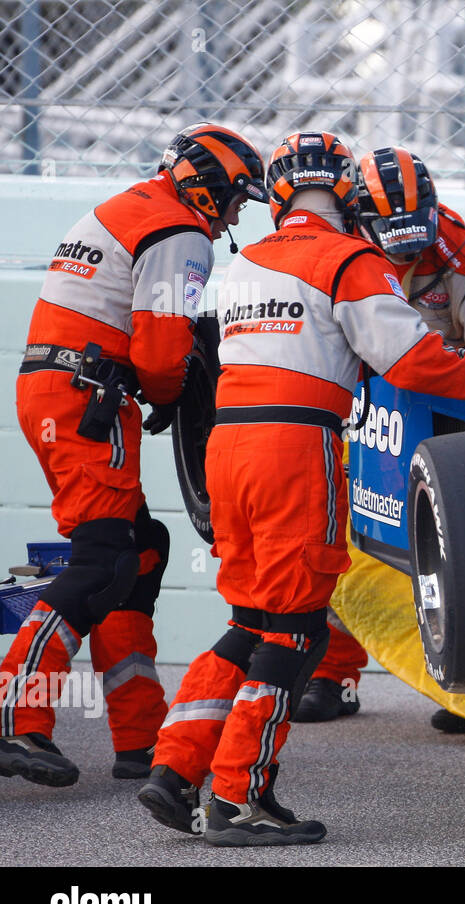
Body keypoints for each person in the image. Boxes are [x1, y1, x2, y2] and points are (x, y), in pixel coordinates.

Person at [137, 130, 465, 845]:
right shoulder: (349, 259)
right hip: (294, 448)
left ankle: (175, 773)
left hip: (226, 450)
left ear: (275, 196)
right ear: (350, 196)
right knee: (296, 628)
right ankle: (237, 799)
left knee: (248, 620)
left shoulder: (243, 265)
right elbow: (412, 360)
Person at [0, 123, 266, 787]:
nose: (238, 213)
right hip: (88, 399)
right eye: (237, 199)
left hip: (60, 390)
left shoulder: (129, 207)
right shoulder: (179, 234)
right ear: (208, 190)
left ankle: (140, 737)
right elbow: (159, 353)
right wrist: (177, 392)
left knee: (140, 550)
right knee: (105, 560)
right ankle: (15, 715)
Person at [296, 145, 465, 724]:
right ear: (357, 218)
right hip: (356, 409)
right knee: (328, 533)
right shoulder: (333, 249)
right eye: (389, 234)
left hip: (445, 416)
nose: (406, 246)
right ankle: (330, 676)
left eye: (415, 230)